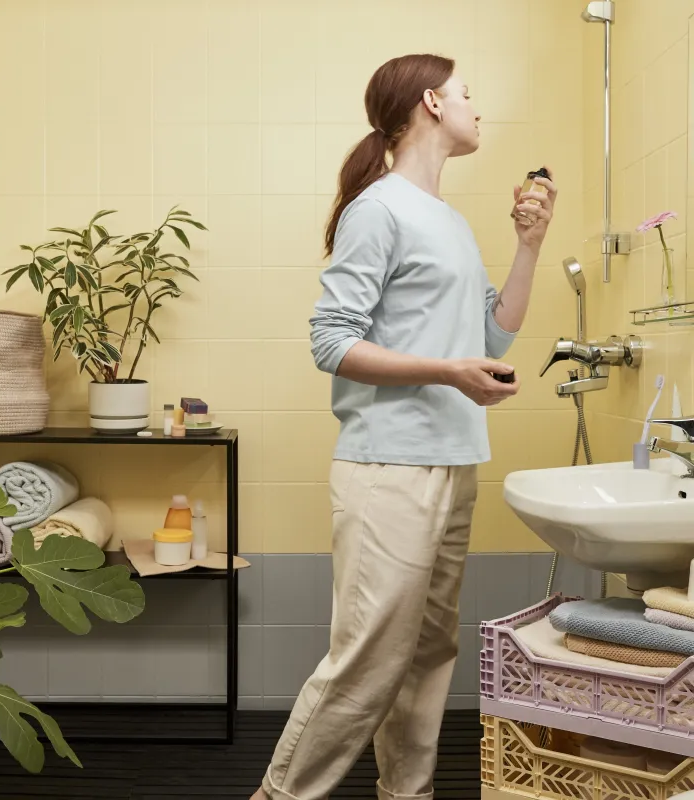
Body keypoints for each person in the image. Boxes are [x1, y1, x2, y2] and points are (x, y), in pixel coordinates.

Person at [251, 53, 556, 800]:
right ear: (430, 103)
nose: (475, 108)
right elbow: (332, 342)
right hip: (389, 467)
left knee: (426, 654)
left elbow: (493, 336)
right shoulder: (378, 209)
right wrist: (447, 372)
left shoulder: (447, 220)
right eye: (465, 95)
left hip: (453, 462)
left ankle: (406, 795)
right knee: (366, 661)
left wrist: (529, 246)